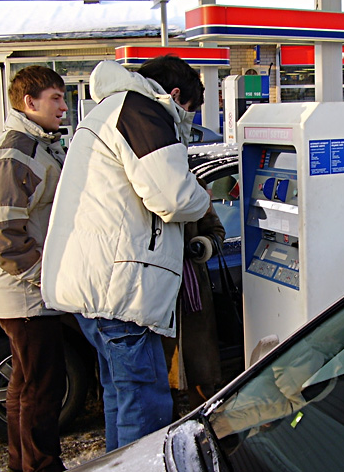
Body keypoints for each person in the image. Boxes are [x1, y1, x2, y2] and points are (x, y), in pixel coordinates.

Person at [41, 56, 210, 452]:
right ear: (175, 95)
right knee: (146, 402)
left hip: (97, 286)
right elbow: (174, 197)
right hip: (120, 290)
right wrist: (204, 198)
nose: (186, 120)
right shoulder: (142, 110)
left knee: (121, 396)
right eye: (188, 110)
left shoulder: (109, 109)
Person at [0, 65, 68, 472]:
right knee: (42, 388)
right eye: (55, 98)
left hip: (24, 291)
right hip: (24, 294)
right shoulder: (15, 153)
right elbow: (2, 233)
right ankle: (41, 466)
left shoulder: (38, 145)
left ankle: (23, 464)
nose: (63, 107)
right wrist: (44, 278)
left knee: (25, 385)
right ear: (29, 102)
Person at [163, 197, 225, 415]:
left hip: (192, 290)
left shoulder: (194, 187)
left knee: (201, 374)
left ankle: (204, 423)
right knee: (162, 377)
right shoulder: (141, 186)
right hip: (157, 290)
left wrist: (201, 245)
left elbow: (217, 231)